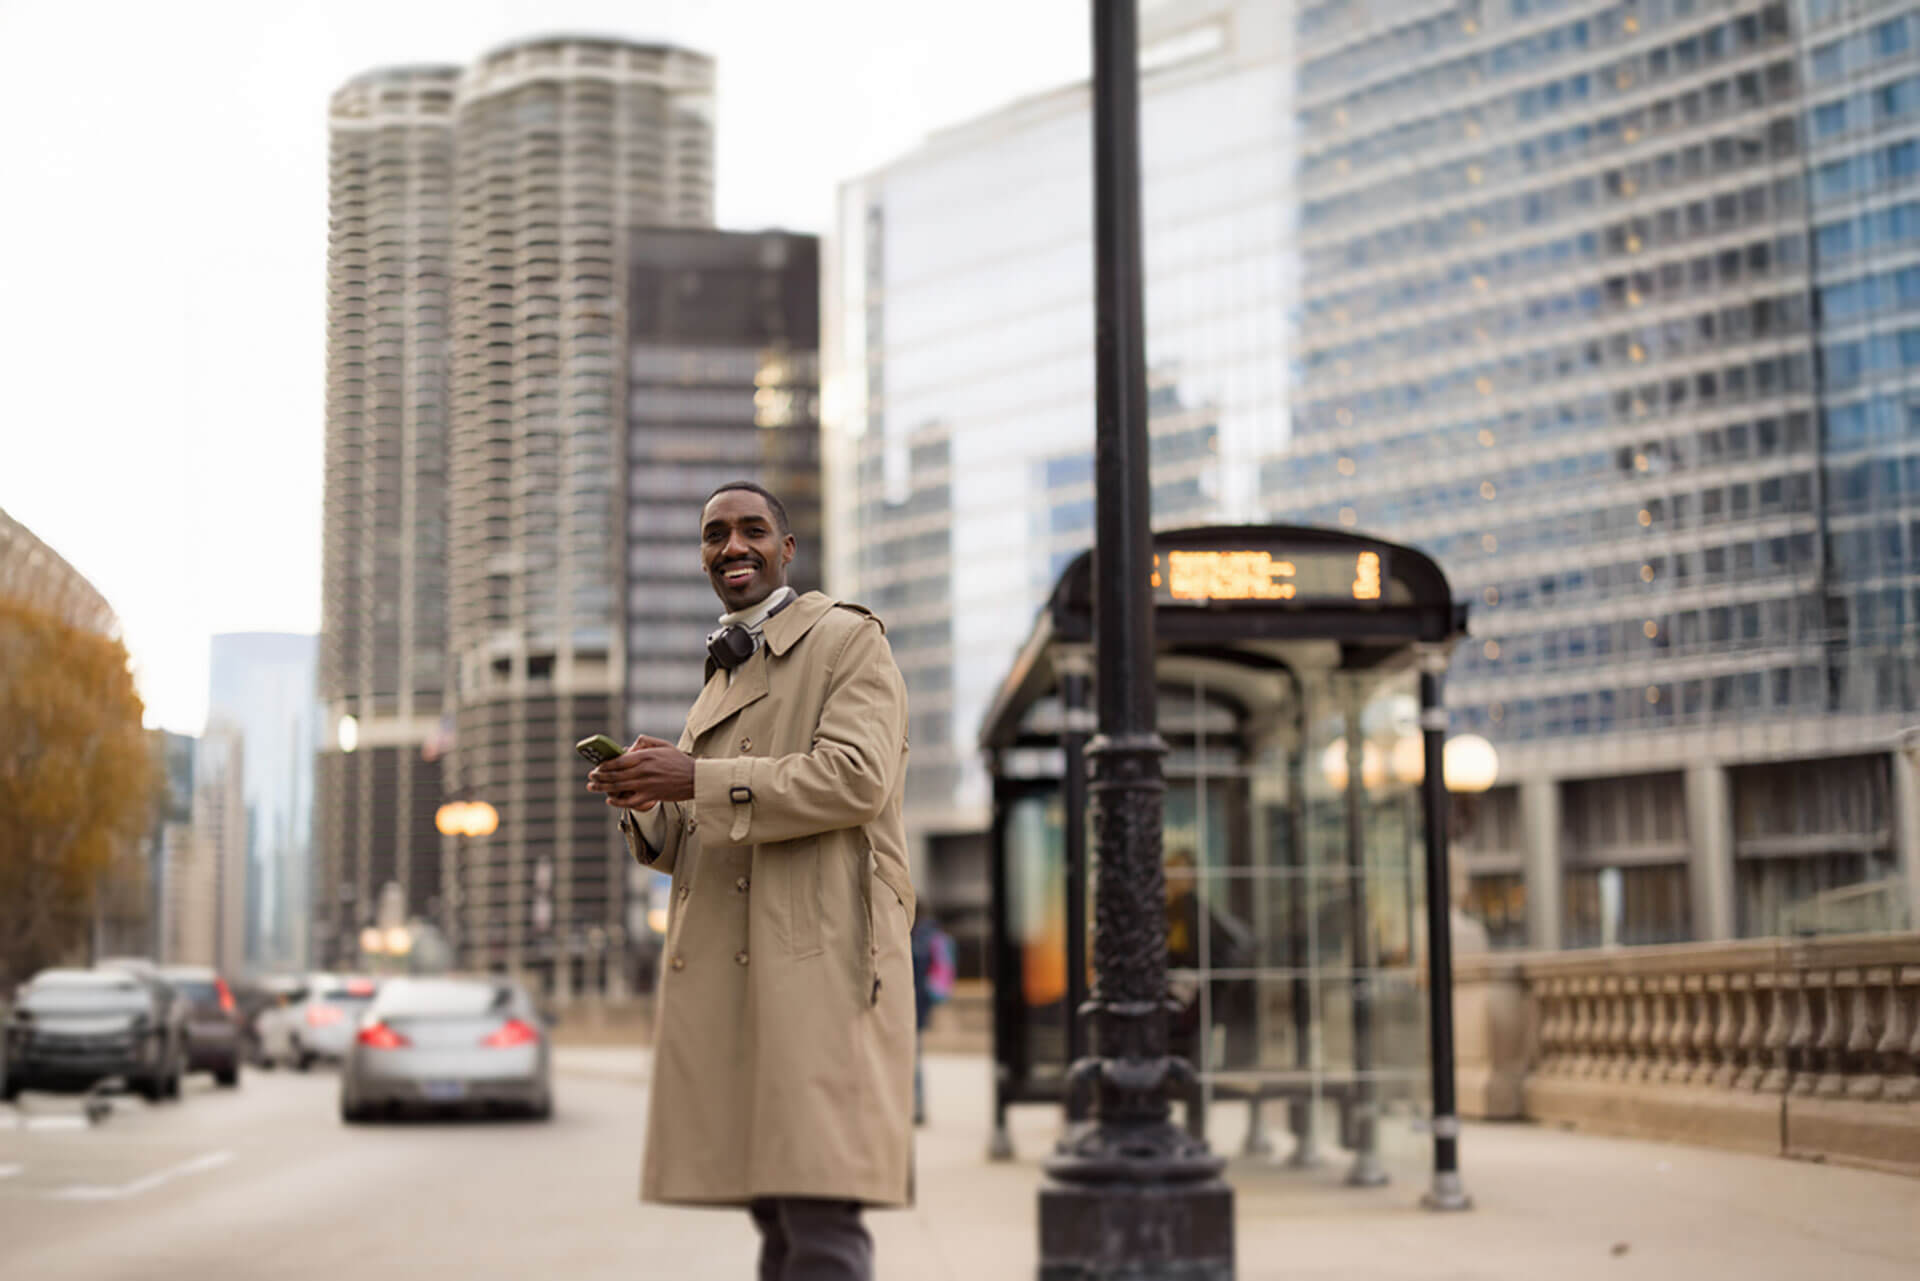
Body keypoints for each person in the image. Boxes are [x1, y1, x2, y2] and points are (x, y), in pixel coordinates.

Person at [585, 481, 914, 1281]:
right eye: (714, 534)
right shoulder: (721, 676)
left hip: (823, 971)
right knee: (778, 1218)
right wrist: (644, 799)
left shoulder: (847, 640)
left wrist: (695, 775)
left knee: (821, 1208)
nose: (732, 546)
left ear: (787, 549)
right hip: (746, 981)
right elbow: (703, 837)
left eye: (751, 530)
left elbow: (855, 779)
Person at [908, 914, 954, 1126]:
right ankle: (917, 1106)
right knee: (914, 1059)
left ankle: (917, 1107)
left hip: (914, 1005)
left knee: (914, 1060)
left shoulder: (920, 939)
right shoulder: (923, 938)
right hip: (916, 1004)